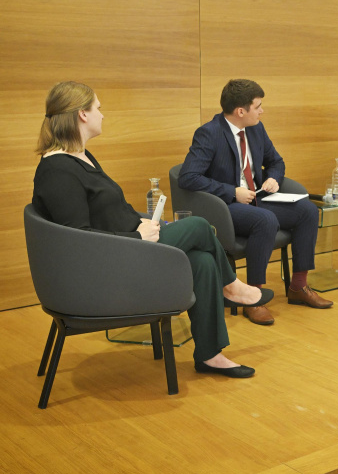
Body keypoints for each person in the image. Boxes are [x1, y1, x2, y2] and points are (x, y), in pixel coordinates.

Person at [32, 82, 269, 379]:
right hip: (106, 267)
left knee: (203, 262)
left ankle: (211, 355)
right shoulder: (58, 170)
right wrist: (136, 236)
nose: (102, 115)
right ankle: (232, 286)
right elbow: (79, 241)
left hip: (125, 248)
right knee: (198, 226)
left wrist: (138, 221)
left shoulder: (81, 157)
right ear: (82, 115)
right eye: (98, 109)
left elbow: (109, 209)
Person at [178, 79, 331, 326]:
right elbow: (188, 177)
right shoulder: (209, 133)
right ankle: (253, 297)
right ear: (241, 111)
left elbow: (276, 161)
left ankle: (298, 287)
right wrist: (231, 191)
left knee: (308, 211)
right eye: (257, 106)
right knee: (265, 219)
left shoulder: (256, 129)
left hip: (257, 196)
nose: (262, 111)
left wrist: (273, 178)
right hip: (225, 206)